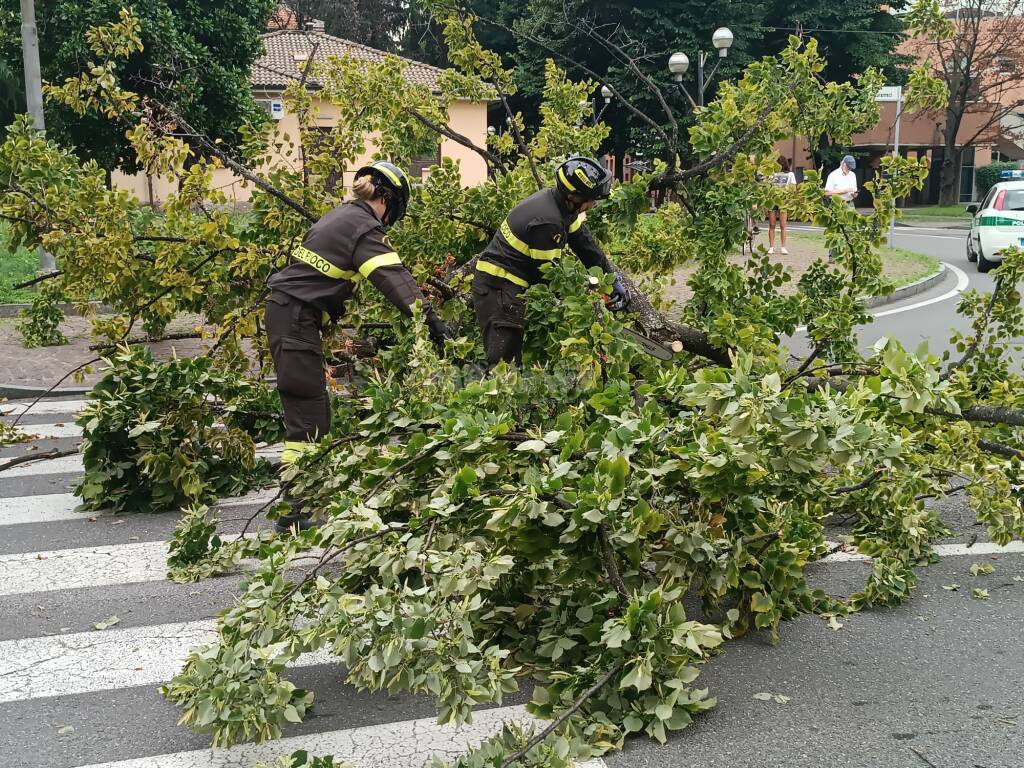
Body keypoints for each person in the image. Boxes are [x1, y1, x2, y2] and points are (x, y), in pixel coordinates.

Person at [265, 161, 452, 533]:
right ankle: (293, 512)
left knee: (309, 416)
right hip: (296, 321)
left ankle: (302, 501)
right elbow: (397, 282)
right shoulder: (364, 228)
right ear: (390, 199)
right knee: (309, 419)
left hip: (290, 317)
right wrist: (434, 326)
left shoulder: (342, 216)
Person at [472, 155, 631, 366]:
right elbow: (550, 278)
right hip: (499, 289)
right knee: (504, 367)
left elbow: (586, 247)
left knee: (512, 365)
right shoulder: (548, 222)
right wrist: (584, 301)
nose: (592, 205)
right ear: (573, 197)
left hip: (510, 287)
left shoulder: (562, 208)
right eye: (590, 199)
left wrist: (611, 280)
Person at [767, 157, 797, 255]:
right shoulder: (772, 174)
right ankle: (771, 247)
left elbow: (793, 188)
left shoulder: (790, 174)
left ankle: (783, 247)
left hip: (784, 201)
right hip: (773, 200)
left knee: (783, 225)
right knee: (772, 224)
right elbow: (768, 186)